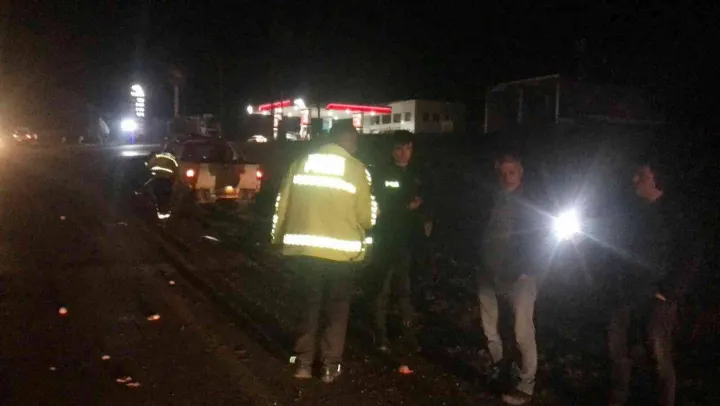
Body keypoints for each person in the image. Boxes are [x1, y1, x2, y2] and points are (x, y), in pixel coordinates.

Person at [272, 121, 376, 383]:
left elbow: (282, 204)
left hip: (305, 250)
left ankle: (303, 363)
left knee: (308, 305)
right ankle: (329, 366)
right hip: (342, 254)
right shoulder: (357, 169)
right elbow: (366, 217)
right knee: (337, 310)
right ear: (350, 141)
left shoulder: (301, 163)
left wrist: (277, 239)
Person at [607, 158, 697, 406]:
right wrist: (614, 282)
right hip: (626, 293)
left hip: (657, 296)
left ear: (656, 179)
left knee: (658, 356)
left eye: (642, 176)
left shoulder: (674, 215)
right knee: (619, 352)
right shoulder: (631, 213)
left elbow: (689, 256)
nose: (635, 180)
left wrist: (668, 292)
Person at [478, 153, 542, 405]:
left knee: (522, 330)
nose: (506, 178)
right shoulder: (491, 197)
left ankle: (526, 384)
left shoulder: (532, 201)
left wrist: (525, 268)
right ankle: (500, 368)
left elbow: (539, 238)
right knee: (490, 326)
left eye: (511, 172)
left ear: (521, 172)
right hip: (489, 270)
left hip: (521, 275)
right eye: (503, 173)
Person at [370, 131, 431, 374]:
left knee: (407, 290)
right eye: (398, 148)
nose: (403, 153)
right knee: (382, 289)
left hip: (411, 242)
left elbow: (429, 201)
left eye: (407, 148)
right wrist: (405, 206)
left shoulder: (419, 173)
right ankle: (380, 335)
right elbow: (381, 204)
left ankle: (408, 335)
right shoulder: (382, 173)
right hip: (386, 240)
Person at [145, 151, 179, 220]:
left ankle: (158, 212)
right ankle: (165, 213)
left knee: (157, 196)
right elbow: (177, 173)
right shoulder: (173, 160)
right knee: (166, 198)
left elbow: (148, 166)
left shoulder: (157, 157)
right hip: (167, 181)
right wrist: (175, 184)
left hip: (156, 180)